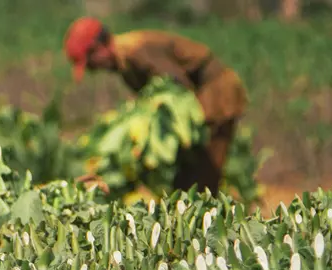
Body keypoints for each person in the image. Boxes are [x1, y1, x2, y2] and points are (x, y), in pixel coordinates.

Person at [63, 17, 248, 193]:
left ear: (98, 48)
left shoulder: (135, 50)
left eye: (91, 65)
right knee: (187, 177)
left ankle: (208, 220)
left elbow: (177, 87)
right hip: (201, 97)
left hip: (215, 93)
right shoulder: (124, 62)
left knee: (203, 174)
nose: (94, 71)